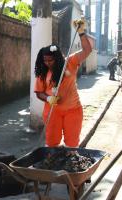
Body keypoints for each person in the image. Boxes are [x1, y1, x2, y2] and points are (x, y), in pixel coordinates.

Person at [34, 18, 92, 148]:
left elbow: (87, 50)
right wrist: (48, 98)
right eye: (45, 60)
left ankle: (70, 165)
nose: (48, 63)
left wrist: (82, 33)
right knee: (52, 144)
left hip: (73, 110)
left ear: (58, 58)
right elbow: (38, 92)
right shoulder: (43, 72)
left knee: (72, 144)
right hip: (52, 111)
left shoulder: (70, 62)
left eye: (51, 60)